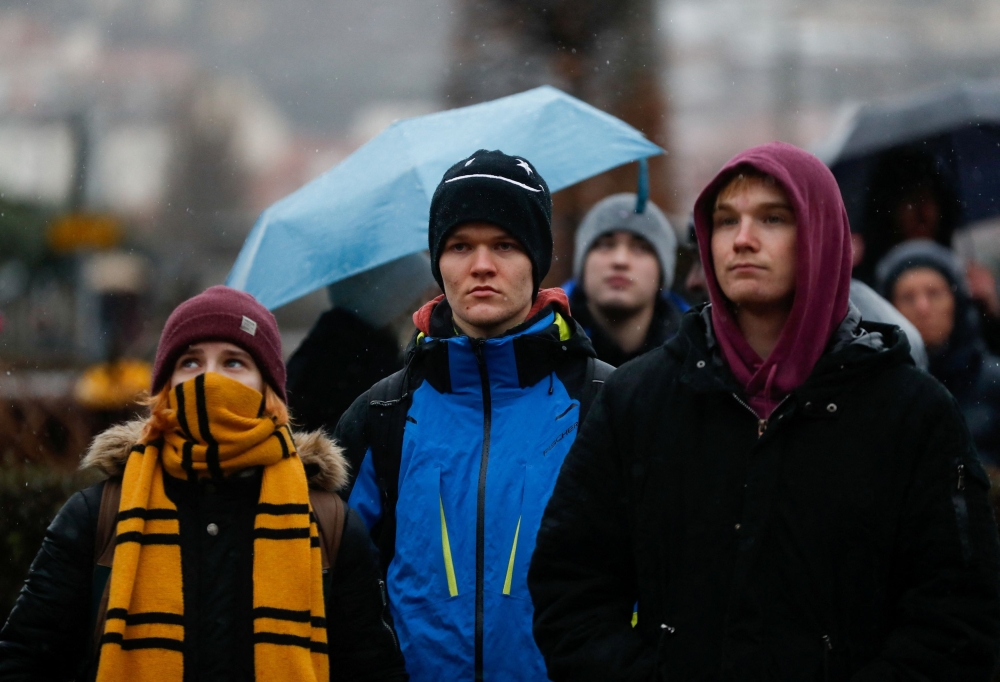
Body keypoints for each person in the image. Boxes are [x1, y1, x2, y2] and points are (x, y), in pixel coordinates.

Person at [528, 142, 1000, 681]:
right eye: (725, 220)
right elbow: (571, 585)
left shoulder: (909, 412)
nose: (742, 239)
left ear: (819, 235)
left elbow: (956, 616)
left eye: (772, 218)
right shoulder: (640, 399)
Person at [0, 286, 407, 682]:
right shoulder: (99, 514)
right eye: (191, 363)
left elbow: (370, 667)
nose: (210, 380)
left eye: (234, 363)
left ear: (269, 392)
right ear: (163, 388)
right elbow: (25, 657)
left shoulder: (327, 522)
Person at [335, 150, 611, 682]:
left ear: (537, 258)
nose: (481, 265)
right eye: (460, 246)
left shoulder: (609, 401)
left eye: (504, 245)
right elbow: (341, 592)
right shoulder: (380, 416)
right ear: (438, 263)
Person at [877, 240, 1000, 468]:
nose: (922, 307)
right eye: (907, 297)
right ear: (889, 310)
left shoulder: (994, 382)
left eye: (934, 293)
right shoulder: (879, 394)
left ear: (957, 302)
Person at [565, 193, 688, 367]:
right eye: (605, 245)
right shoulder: (537, 348)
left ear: (662, 271)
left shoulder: (695, 356)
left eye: (641, 248)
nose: (620, 260)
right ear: (582, 264)